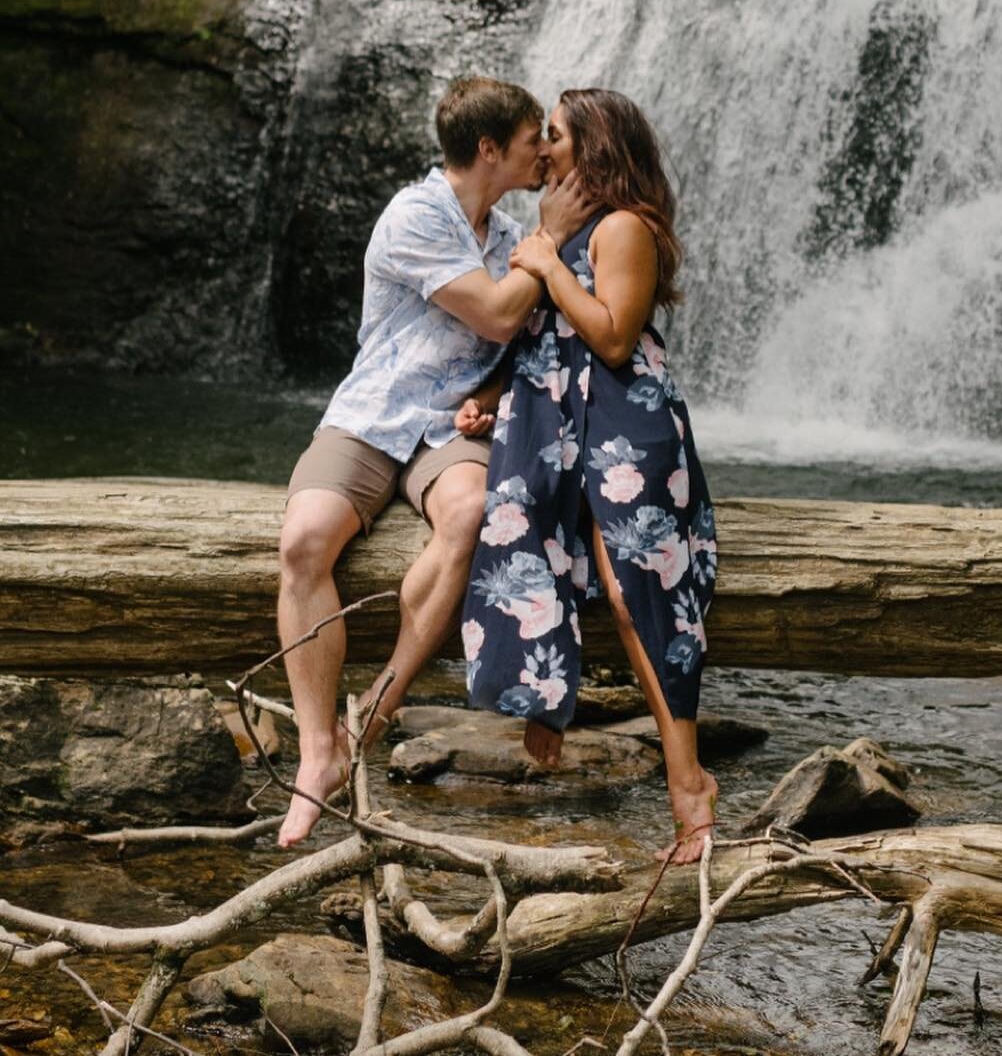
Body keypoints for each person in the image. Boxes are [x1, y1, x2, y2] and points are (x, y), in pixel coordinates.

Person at [275, 75, 592, 848]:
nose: (543, 156)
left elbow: (514, 344)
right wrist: (549, 237)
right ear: (489, 150)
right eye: (530, 143)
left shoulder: (507, 231)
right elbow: (493, 309)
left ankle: (375, 711)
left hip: (450, 428)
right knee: (303, 542)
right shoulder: (416, 215)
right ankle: (318, 755)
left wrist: (487, 392)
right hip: (374, 413)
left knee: (469, 513)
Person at [455, 88, 719, 863]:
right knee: (541, 554)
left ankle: (688, 784)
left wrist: (542, 257)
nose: (543, 149)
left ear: (594, 150)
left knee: (636, 596)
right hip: (556, 432)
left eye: (557, 138)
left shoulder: (624, 228)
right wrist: (492, 398)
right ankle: (549, 704)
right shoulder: (560, 231)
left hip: (622, 429)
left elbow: (609, 339)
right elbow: (545, 341)